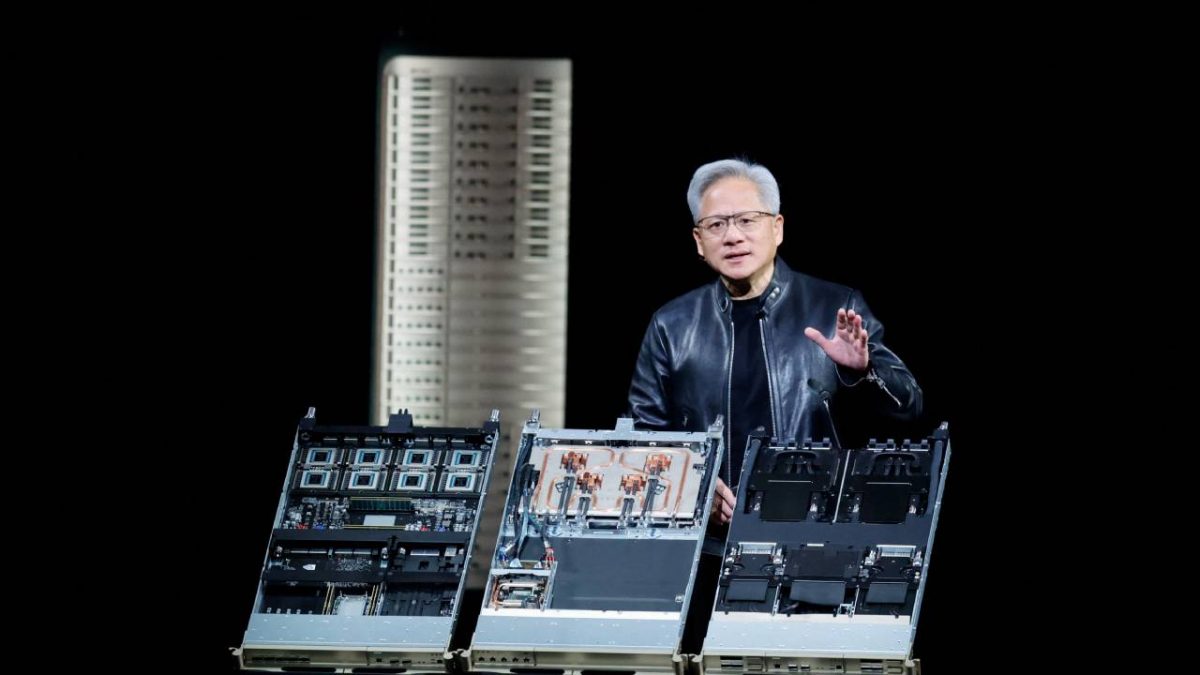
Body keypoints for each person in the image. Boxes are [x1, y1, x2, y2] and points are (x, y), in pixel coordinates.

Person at [628, 157, 923, 529]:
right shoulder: (672, 324)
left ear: (777, 228)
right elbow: (644, 441)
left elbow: (910, 410)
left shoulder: (835, 307)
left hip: (816, 532)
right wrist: (696, 490)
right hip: (708, 543)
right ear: (699, 242)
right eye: (716, 224)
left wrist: (862, 372)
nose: (733, 236)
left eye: (747, 220)